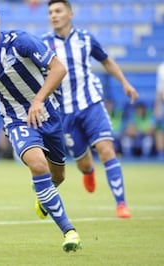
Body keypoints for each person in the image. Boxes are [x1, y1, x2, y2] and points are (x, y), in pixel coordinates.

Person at [0, 6, 81, 252]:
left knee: (58, 177)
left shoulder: (21, 42)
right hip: (17, 121)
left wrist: (38, 100)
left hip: (49, 114)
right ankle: (69, 232)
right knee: (38, 165)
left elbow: (58, 69)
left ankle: (43, 194)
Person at [41, 0, 139, 218]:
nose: (54, 15)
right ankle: (89, 171)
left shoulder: (85, 39)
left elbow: (106, 61)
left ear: (70, 14)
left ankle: (121, 204)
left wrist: (125, 82)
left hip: (91, 104)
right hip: (64, 112)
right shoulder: (43, 44)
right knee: (83, 163)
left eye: (58, 11)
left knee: (106, 149)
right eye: (50, 12)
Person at [154, 62, 164, 160]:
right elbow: (160, 90)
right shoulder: (162, 68)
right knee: (160, 129)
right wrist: (157, 106)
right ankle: (161, 154)